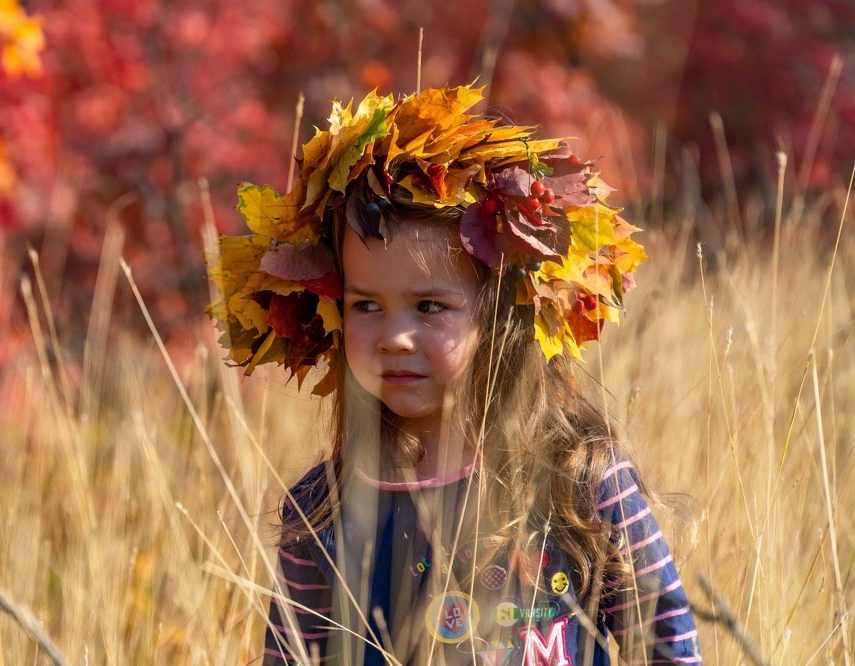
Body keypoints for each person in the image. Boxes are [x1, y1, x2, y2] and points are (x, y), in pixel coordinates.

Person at [209, 84, 701, 665]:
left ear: (498, 316)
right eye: (366, 305)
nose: (394, 336)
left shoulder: (581, 481)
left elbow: (666, 641)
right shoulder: (324, 509)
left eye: (428, 307)